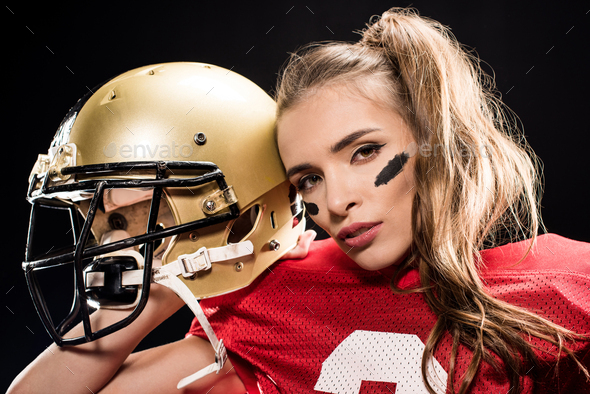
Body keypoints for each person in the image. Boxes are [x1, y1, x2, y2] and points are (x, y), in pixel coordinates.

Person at [10, 8, 590, 394]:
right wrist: (165, 284)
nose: (335, 200)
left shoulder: (572, 282)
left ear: (434, 138)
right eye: (307, 178)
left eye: (364, 152)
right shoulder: (277, 296)